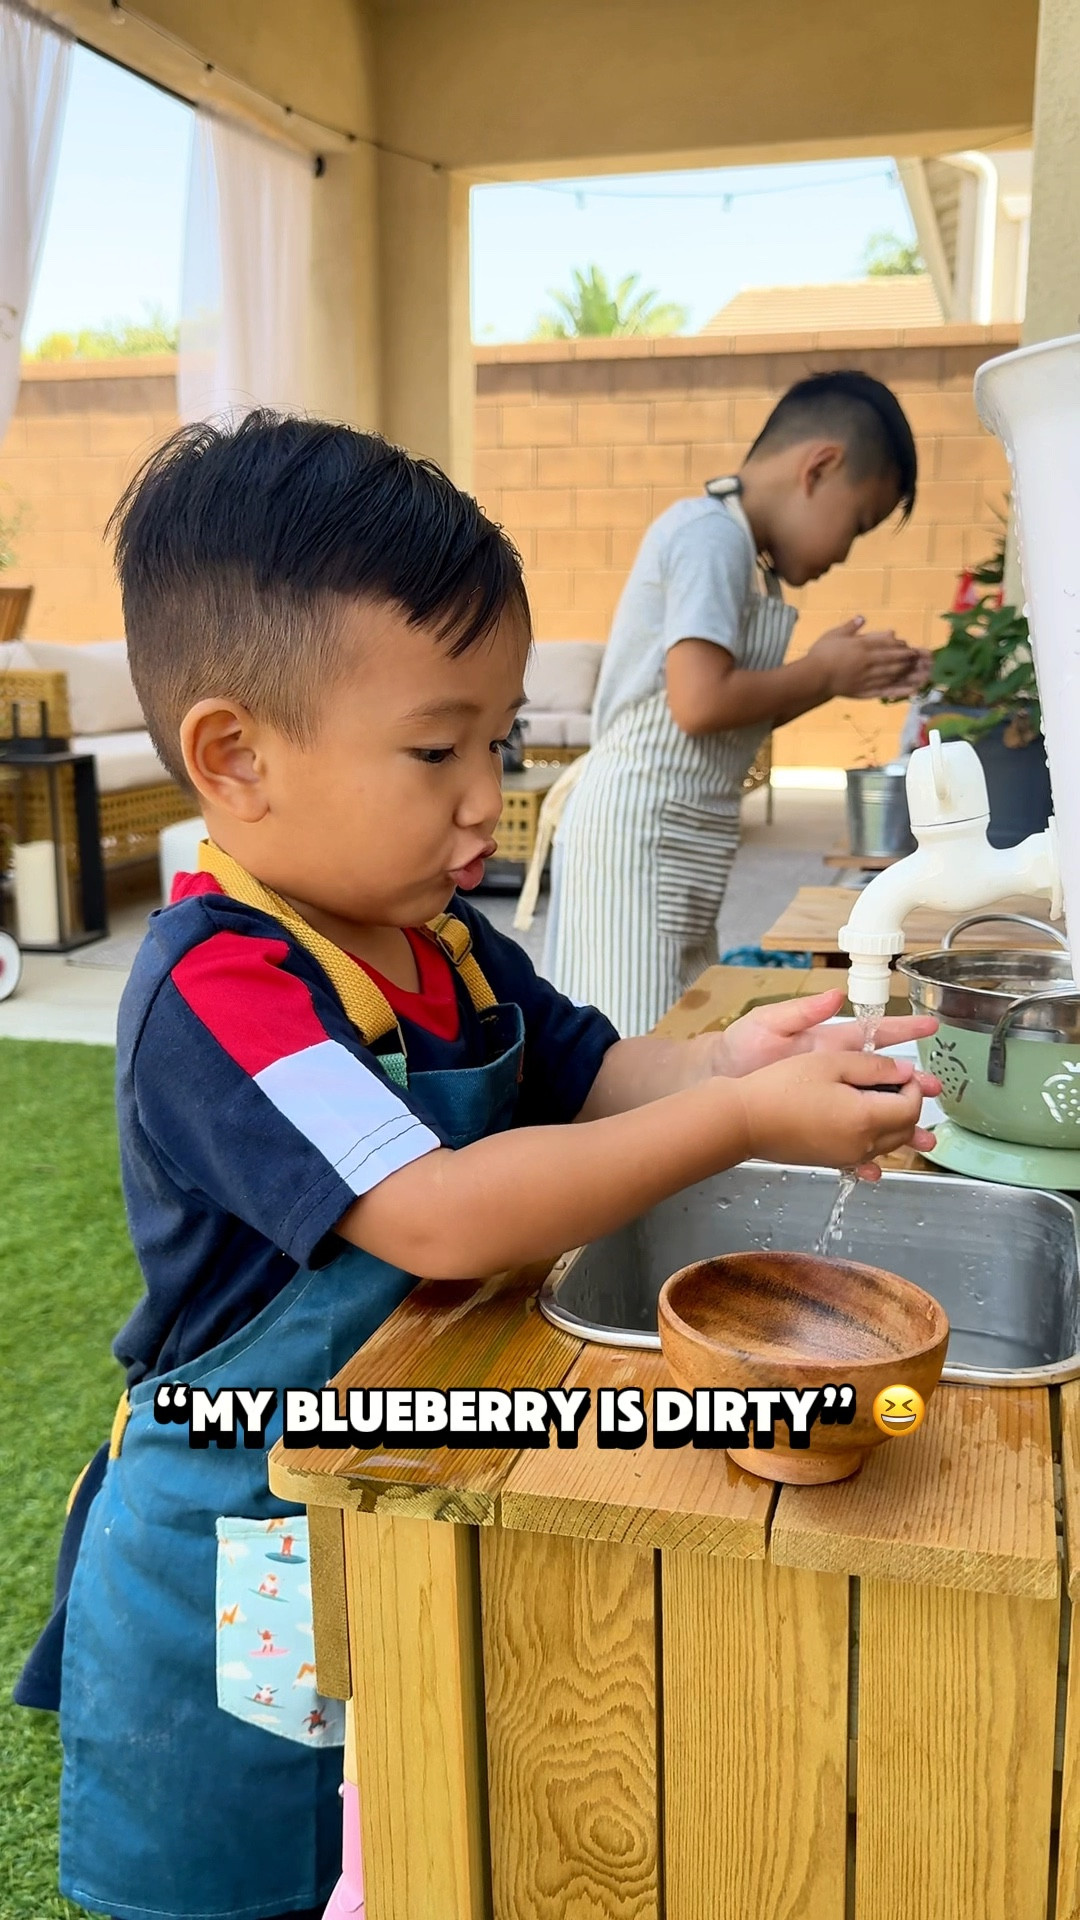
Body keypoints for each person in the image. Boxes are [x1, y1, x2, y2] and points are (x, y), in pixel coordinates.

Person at [16, 415, 937, 1920]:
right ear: (235, 756)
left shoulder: (437, 936)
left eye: (497, 741)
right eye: (437, 748)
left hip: (382, 1473)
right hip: (237, 1523)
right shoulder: (220, 988)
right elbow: (435, 1219)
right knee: (241, 1861)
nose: (480, 795)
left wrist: (726, 1064)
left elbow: (591, 1072)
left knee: (396, 1821)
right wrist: (731, 1127)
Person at [542, 370, 932, 1035]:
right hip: (641, 832)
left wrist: (833, 677)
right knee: (637, 1046)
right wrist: (819, 671)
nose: (844, 550)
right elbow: (697, 702)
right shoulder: (710, 536)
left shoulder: (740, 553)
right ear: (820, 467)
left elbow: (723, 712)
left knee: (684, 1032)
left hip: (677, 838)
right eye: (858, 523)